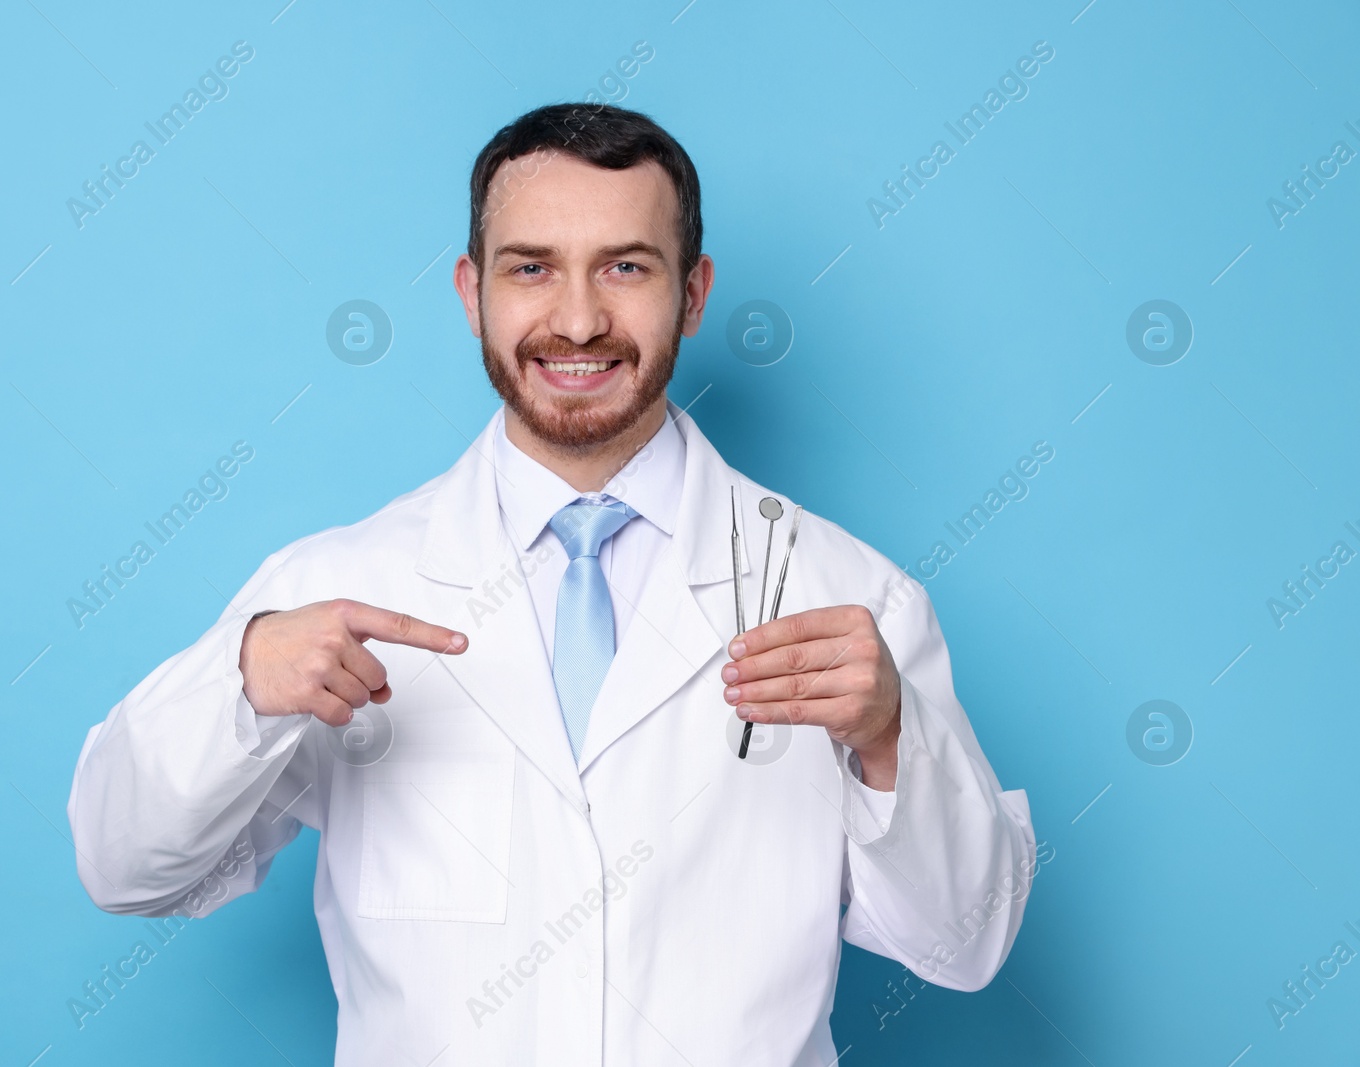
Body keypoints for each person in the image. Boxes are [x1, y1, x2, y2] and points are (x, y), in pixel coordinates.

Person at [68, 103, 1035, 1066]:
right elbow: (125, 867)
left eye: (626, 266)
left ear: (693, 295)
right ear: (470, 292)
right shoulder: (338, 586)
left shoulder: (844, 595)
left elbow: (965, 943)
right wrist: (238, 683)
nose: (578, 320)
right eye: (531, 268)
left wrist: (889, 734)